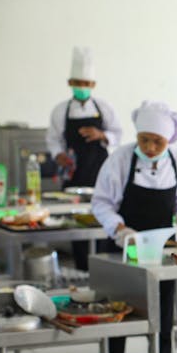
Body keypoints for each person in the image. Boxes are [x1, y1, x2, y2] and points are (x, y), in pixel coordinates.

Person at [91, 101, 177, 353]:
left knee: (163, 315)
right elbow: (101, 202)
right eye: (144, 140)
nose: (150, 147)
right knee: (119, 314)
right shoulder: (121, 158)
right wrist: (118, 227)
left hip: (161, 251)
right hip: (123, 246)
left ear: (169, 139)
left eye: (157, 142)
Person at [47, 47, 122, 270]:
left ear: (93, 86)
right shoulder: (61, 111)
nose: (82, 87)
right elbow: (53, 138)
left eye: (86, 84)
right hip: (74, 175)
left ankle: (104, 267)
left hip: (100, 172)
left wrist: (101, 135)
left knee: (103, 218)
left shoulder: (104, 108)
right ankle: (82, 267)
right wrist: (58, 154)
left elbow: (117, 133)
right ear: (70, 82)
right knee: (77, 221)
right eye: (78, 82)